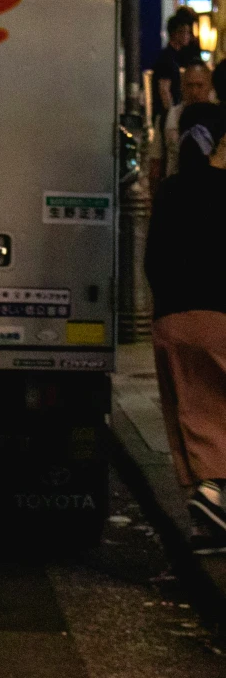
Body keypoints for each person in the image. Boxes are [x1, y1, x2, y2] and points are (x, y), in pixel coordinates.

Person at [146, 112, 226, 546]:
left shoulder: (172, 190)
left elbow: (153, 262)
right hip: (222, 316)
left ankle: (206, 508)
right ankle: (214, 493)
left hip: (172, 319)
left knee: (191, 409)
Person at [156, 7, 204, 114]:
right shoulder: (167, 59)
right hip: (166, 115)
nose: (189, 36)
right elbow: (164, 90)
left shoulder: (176, 57)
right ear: (176, 34)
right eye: (186, 32)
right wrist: (172, 115)